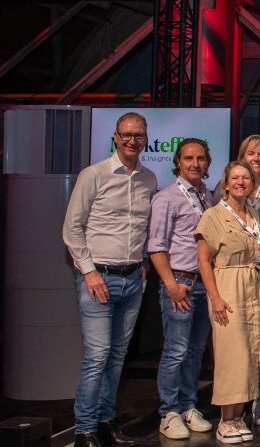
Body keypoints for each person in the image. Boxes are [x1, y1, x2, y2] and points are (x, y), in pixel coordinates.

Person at [63, 112, 157, 447]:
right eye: (126, 135)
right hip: (98, 279)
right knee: (97, 356)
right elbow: (72, 228)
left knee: (117, 357)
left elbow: (143, 227)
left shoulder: (149, 178)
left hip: (132, 280)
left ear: (145, 139)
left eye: (138, 135)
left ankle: (105, 422)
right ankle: (84, 429)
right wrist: (88, 272)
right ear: (115, 137)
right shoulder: (94, 174)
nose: (132, 141)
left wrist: (143, 261)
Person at [196, 161, 260, 444]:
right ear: (226, 183)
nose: (241, 182)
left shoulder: (253, 214)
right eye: (235, 178)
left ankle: (238, 416)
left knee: (252, 353)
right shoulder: (213, 215)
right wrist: (215, 298)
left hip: (255, 288)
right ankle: (225, 420)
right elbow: (203, 261)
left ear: (252, 184)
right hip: (228, 287)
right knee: (232, 355)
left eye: (246, 178)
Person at [148, 138, 216, 440]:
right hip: (180, 282)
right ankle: (168, 412)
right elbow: (156, 246)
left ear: (207, 162)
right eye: (188, 158)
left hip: (203, 283)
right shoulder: (166, 198)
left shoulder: (207, 195)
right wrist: (171, 285)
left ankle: (188, 406)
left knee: (195, 351)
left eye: (200, 158)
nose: (195, 164)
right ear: (178, 161)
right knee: (175, 351)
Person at [214, 134, 260, 427]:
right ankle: (232, 409)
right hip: (232, 274)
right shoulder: (225, 193)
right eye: (251, 153)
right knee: (236, 343)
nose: (256, 159)